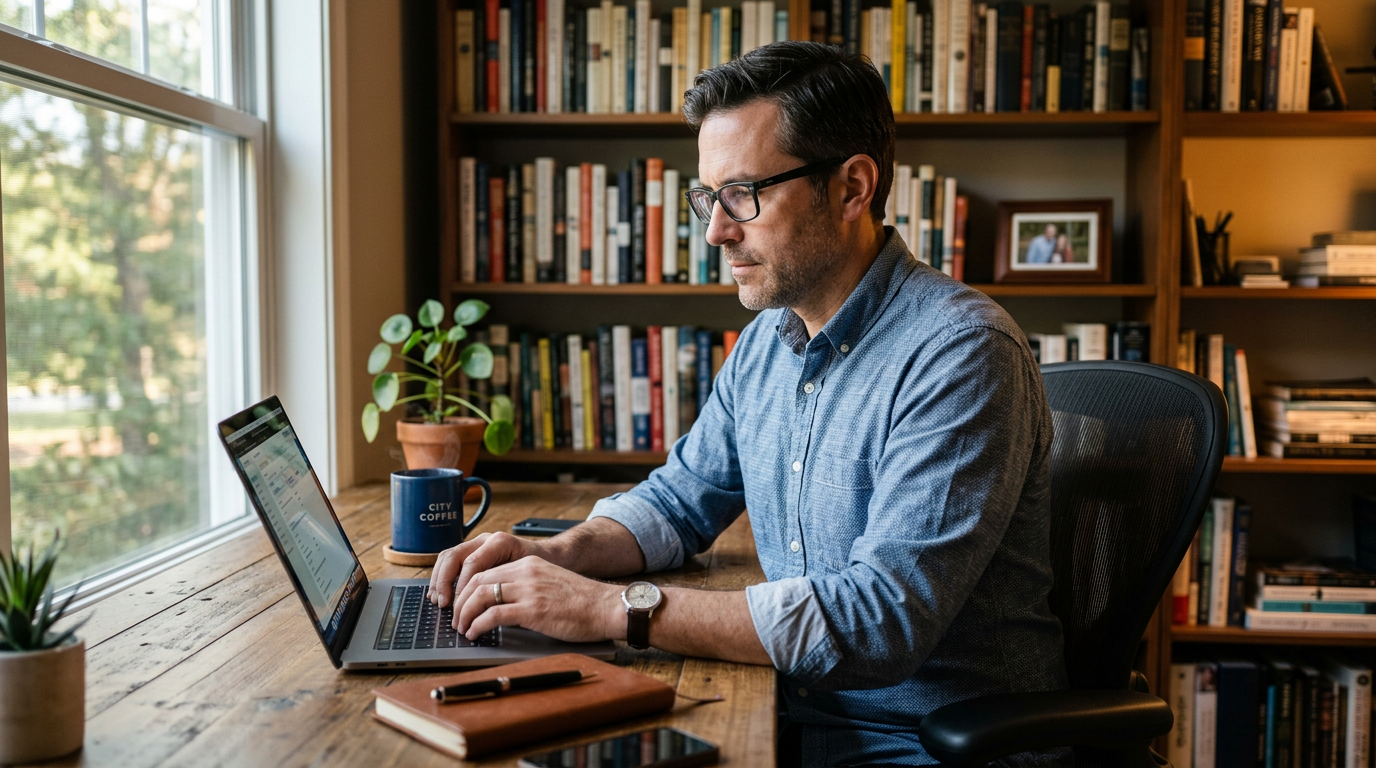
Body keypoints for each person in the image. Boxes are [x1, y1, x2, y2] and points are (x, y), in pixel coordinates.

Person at [427, 41, 1067, 767]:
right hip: (787, 709)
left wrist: (609, 608)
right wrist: (556, 555)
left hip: (925, 745)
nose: (715, 231)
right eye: (708, 197)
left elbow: (878, 624)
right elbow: (676, 503)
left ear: (853, 187)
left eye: (743, 195)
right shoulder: (769, 340)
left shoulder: (961, 353)